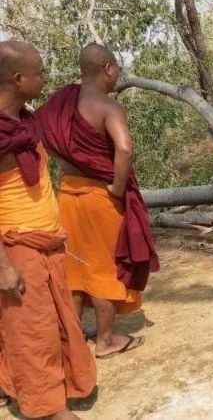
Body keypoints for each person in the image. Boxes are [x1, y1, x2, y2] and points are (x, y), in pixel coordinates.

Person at [37, 43, 157, 359]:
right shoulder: (107, 106)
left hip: (68, 195)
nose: (118, 74)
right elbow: (125, 149)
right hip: (99, 197)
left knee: (75, 270)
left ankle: (73, 340)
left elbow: (43, 135)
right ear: (107, 68)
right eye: (117, 67)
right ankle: (105, 341)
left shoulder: (58, 103)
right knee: (104, 268)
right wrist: (117, 187)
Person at [0, 40, 96, 419]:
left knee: (47, 323)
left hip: (46, 240)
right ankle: (48, 409)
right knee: (32, 330)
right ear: (17, 78)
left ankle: (15, 385)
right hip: (16, 245)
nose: (44, 78)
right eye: (39, 72)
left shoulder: (24, 122)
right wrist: (3, 265)